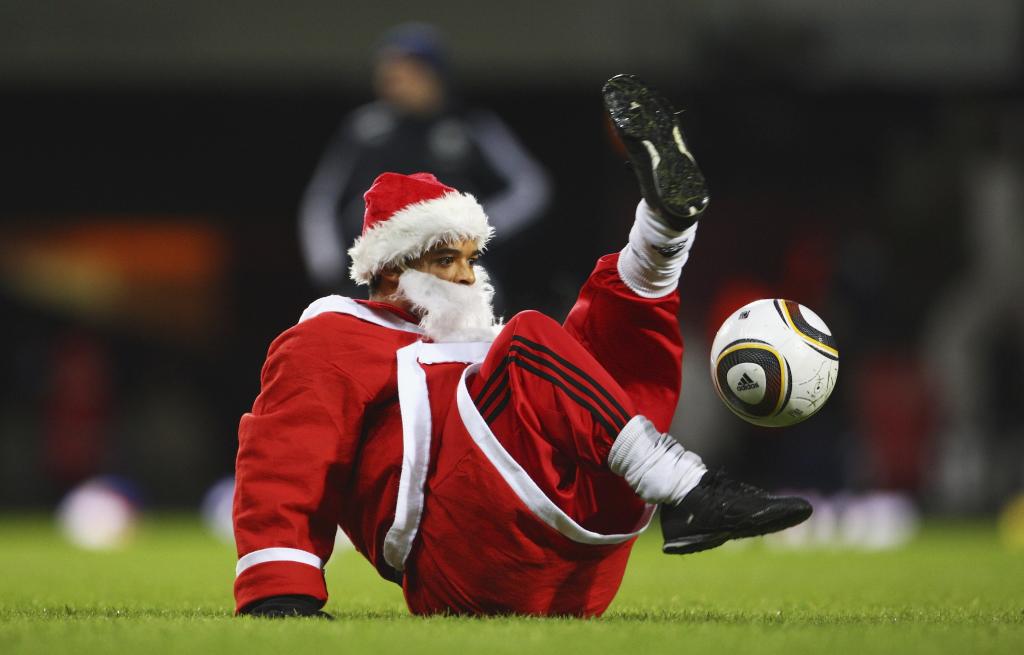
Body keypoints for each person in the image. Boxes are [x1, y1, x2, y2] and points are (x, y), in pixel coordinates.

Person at [234, 74, 811, 618]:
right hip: (458, 559)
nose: (463, 276)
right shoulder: (333, 334)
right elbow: (283, 455)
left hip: (574, 573)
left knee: (588, 359)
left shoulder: (468, 340)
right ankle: (688, 491)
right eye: (443, 259)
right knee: (532, 339)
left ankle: (662, 236)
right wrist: (278, 588)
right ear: (387, 268)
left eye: (467, 259)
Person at [298, 22, 551, 293]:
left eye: (409, 70)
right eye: (390, 70)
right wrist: (327, 261)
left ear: (435, 75)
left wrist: (481, 228)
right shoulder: (364, 130)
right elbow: (322, 200)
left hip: (453, 275)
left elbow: (531, 188)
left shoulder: (471, 126)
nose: (396, 79)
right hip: (377, 275)